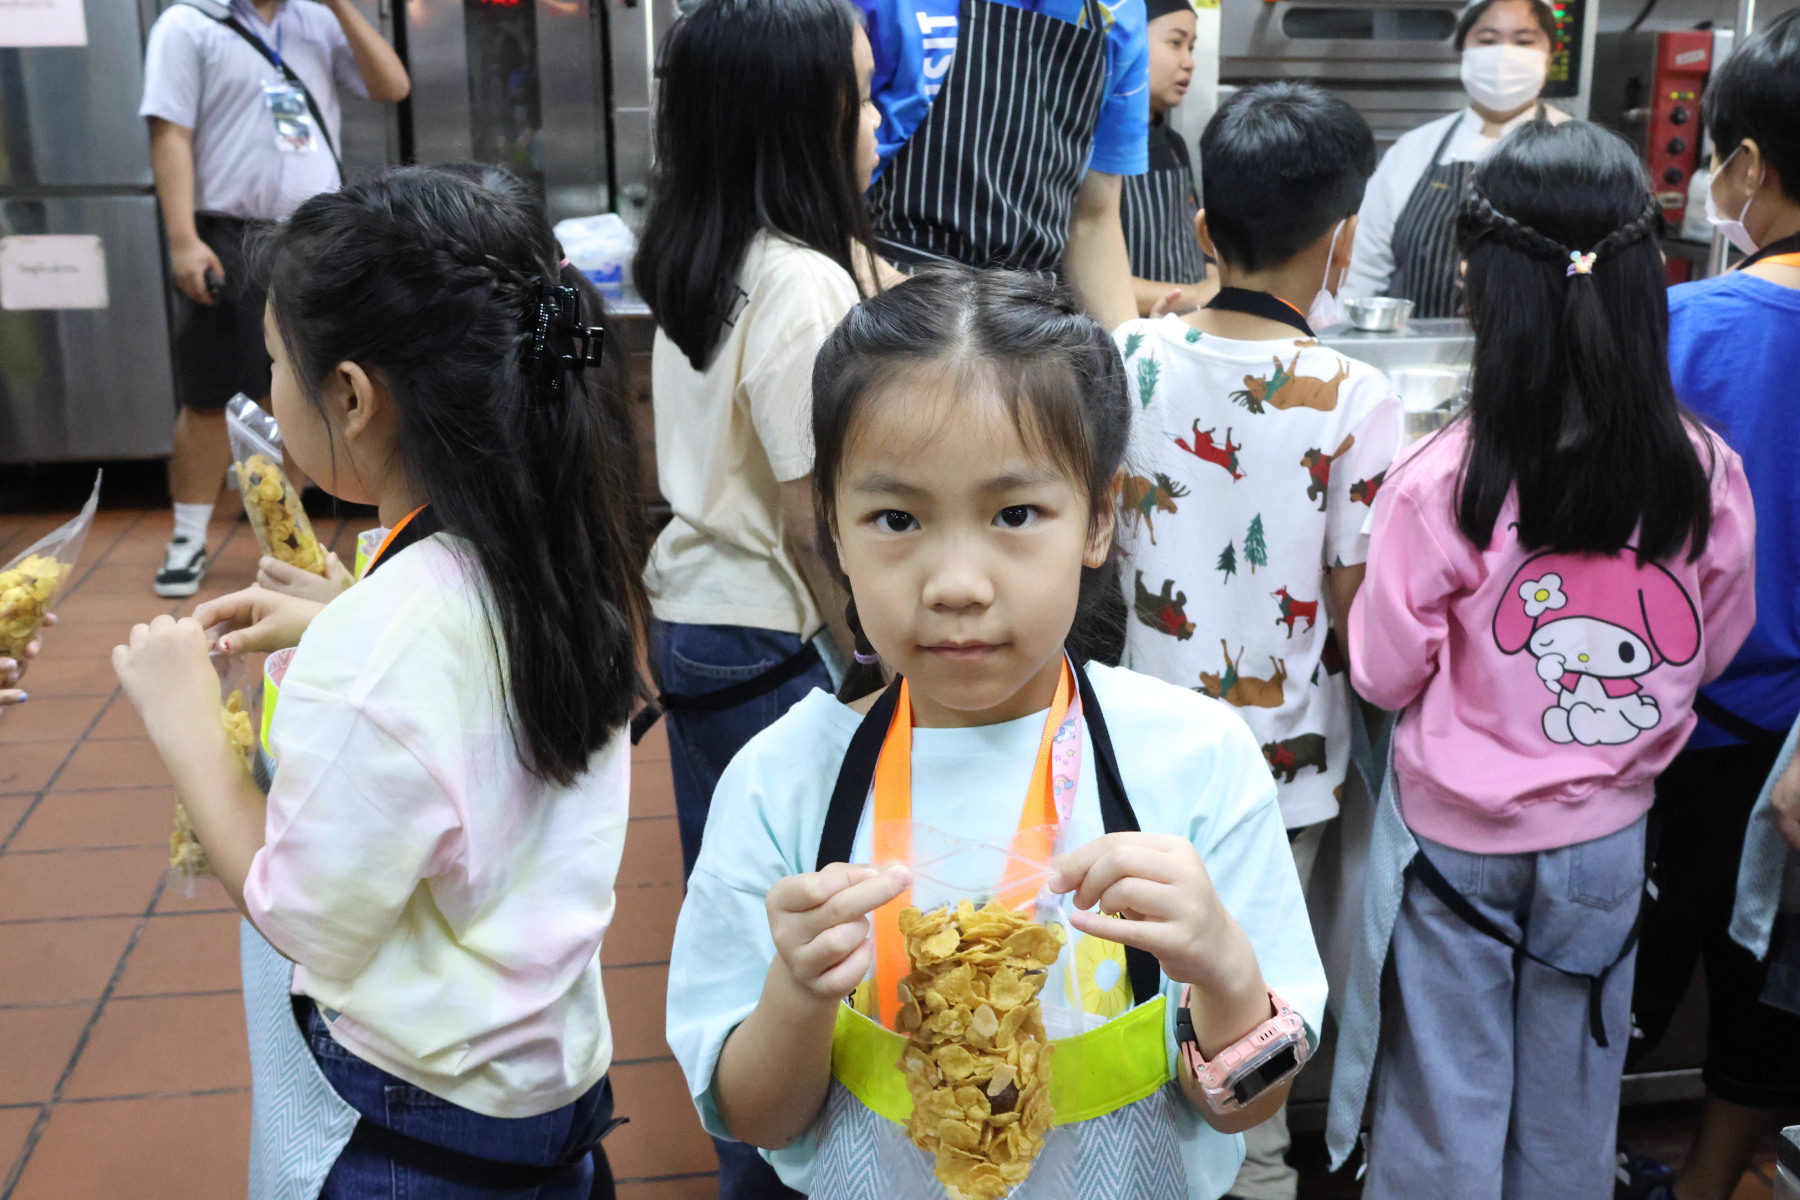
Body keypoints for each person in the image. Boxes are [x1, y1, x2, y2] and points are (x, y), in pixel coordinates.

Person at [665, 268, 1327, 1199]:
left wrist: (1222, 967)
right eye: (896, 518)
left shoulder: (1196, 762)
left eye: (1015, 514)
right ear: (835, 533)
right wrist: (798, 992)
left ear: (1099, 517)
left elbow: (1250, 1104)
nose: (957, 585)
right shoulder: (782, 784)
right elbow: (756, 1120)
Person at [110, 165, 650, 1197]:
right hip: (548, 1084)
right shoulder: (556, 558)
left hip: (419, 1124)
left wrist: (186, 725)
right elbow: (460, 696)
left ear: (352, 397)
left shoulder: (383, 640)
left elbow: (304, 915)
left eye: (277, 365)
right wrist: (341, 619)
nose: (271, 392)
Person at [1340, 119, 1757, 1200]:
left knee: (1444, 1101)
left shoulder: (1441, 480)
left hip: (1457, 846)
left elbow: (1382, 674)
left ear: (1484, 287)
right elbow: (1713, 646)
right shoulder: (1704, 472)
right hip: (1606, 840)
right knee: (1573, 1105)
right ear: (1644, 281)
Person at [1113, 81, 1399, 1200]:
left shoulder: (1128, 353)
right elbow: (1355, 603)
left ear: (1200, 230)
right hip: (1282, 776)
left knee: (1138, 1014)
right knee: (1256, 1039)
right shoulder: (1354, 393)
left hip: (1140, 756)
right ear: (1343, 242)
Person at [632, 2, 880, 1191]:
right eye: (862, 96)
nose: (877, 122)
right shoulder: (801, 283)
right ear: (811, 114)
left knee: (733, 921)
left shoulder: (701, 254)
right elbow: (805, 513)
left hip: (697, 617)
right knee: (801, 940)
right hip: (773, 637)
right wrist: (875, 651)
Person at [1621, 13, 1800, 1200]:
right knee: (1762, 980)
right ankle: (1711, 1180)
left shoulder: (1685, 324)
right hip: (1787, 740)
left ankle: (1572, 1154)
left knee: (1626, 969)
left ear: (1746, 166)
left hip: (1681, 723)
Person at [139, 0, 409, 598]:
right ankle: (188, 537)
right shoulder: (189, 23)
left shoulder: (316, 19)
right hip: (226, 235)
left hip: (314, 237)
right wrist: (183, 240)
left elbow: (392, 85)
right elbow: (170, 133)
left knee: (302, 392)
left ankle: (287, 540)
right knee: (210, 391)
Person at [852, 0, 1148, 326]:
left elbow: (1093, 219)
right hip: (892, 304)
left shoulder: (1120, 11)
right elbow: (813, 172)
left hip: (1027, 320)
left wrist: (1129, 347)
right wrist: (887, 290)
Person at [1343, 0, 1568, 317]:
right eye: (1487, 40)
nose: (1504, 55)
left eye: (1523, 41)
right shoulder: (1414, 149)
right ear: (1463, 50)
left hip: (1542, 347)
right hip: (1415, 346)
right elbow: (1361, 272)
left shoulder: (1580, 152)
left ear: (1550, 56)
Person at [1122, 0, 1216, 317]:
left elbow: (1200, 251)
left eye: (1191, 47)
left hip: (1182, 331)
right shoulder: (1093, 144)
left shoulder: (1175, 146)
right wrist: (1196, 295)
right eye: (1176, 43)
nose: (1189, 62)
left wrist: (1220, 286)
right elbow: (1081, 276)